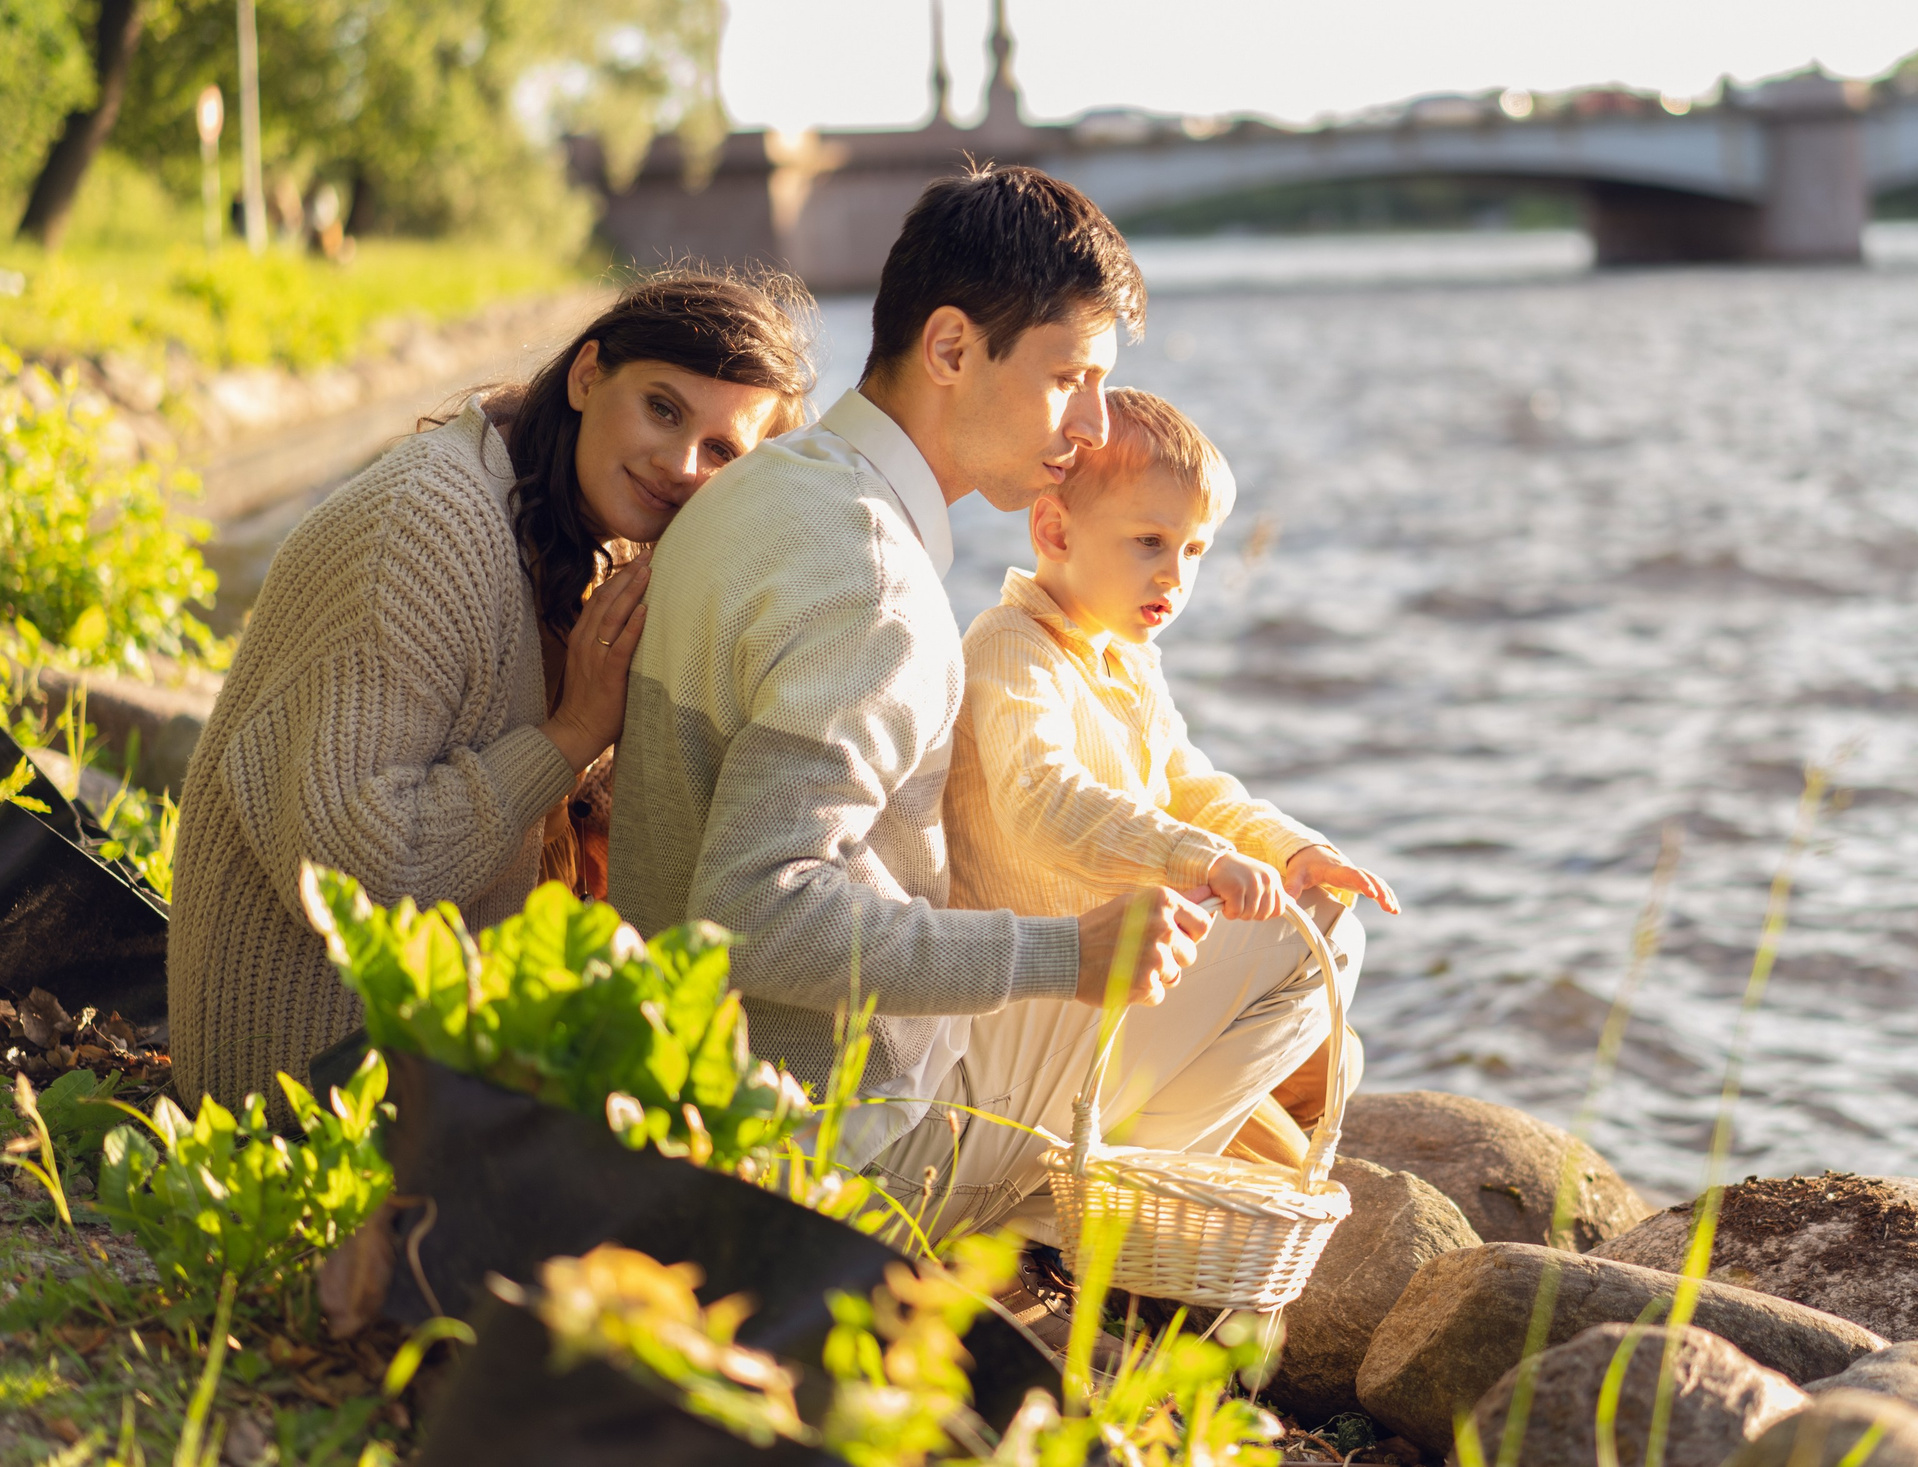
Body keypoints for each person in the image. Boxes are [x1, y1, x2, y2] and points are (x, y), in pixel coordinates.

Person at [611, 165, 1360, 1247]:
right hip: (834, 1145)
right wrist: (1062, 956)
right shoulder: (875, 586)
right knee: (1315, 933)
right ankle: (1071, 1239)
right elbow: (755, 913)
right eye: (1070, 378)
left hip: (697, 1085)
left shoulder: (768, 488)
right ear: (953, 349)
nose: (1094, 428)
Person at [167, 272, 815, 1111]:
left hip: (424, 1036)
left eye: (722, 450)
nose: (680, 463)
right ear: (588, 375)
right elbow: (359, 864)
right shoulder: (428, 525)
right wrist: (573, 733)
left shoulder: (579, 529)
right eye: (662, 407)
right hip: (309, 1072)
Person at [944, 387, 1394, 1166]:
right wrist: (1202, 860)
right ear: (1053, 529)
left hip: (1114, 993)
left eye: (1193, 550)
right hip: (1035, 995)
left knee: (1332, 1045)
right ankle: (1091, 1195)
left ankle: (1139, 1169)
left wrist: (1292, 850)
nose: (1174, 577)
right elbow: (1042, 800)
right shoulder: (1013, 646)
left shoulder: (1123, 657)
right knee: (1317, 931)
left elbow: (1191, 783)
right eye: (1149, 541)